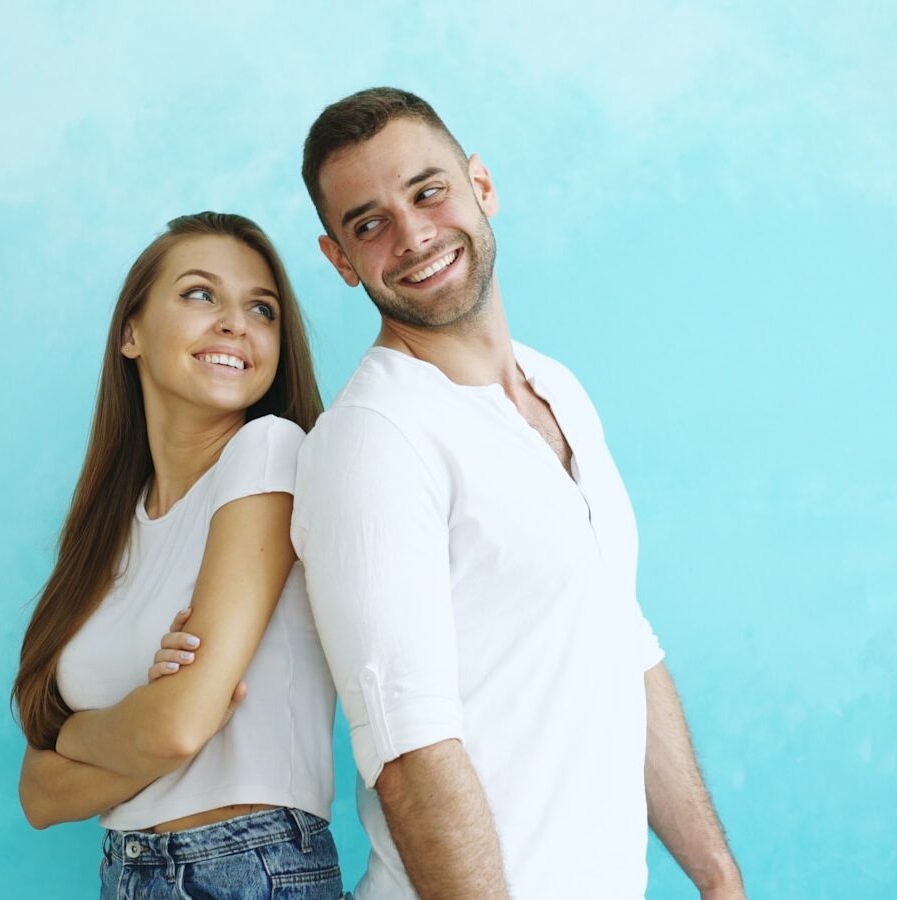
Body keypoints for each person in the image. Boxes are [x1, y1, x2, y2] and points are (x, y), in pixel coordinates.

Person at [291, 88, 746, 900]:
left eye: (428, 192)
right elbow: (409, 755)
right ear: (339, 259)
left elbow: (622, 639)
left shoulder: (559, 388)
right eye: (370, 224)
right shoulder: (375, 438)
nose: (414, 235)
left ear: (482, 187)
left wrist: (718, 880)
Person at [12, 212, 342, 899]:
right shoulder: (107, 533)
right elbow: (38, 797)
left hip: (247, 867)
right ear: (130, 333)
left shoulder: (270, 450)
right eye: (200, 294)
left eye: (262, 308)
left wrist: (81, 739)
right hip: (129, 870)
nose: (235, 323)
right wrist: (129, 726)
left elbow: (180, 725)